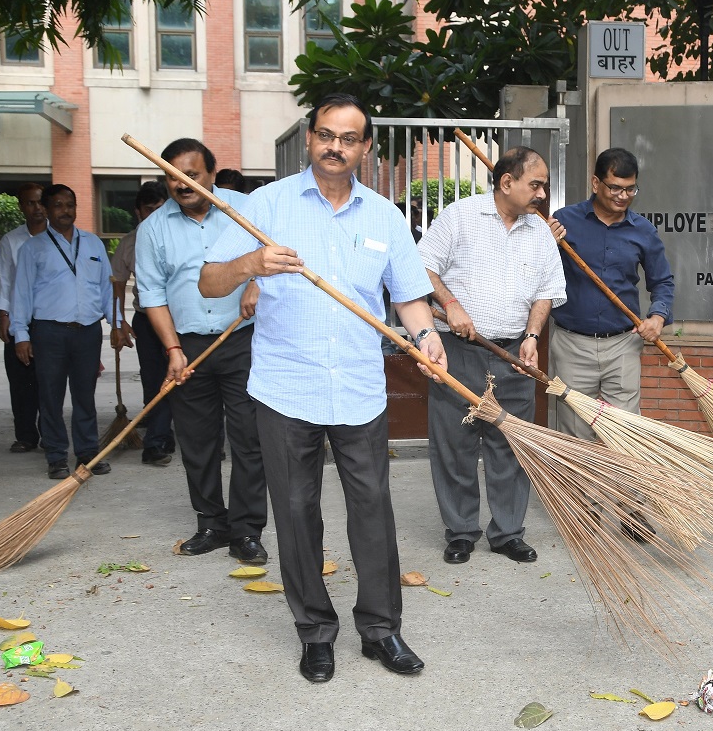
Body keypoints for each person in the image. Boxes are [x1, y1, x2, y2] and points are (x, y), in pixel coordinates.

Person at [200, 92, 445, 683]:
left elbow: (409, 297)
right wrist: (251, 264)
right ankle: (314, 631)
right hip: (286, 387)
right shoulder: (267, 205)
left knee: (373, 509)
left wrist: (427, 337)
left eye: (348, 138)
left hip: (359, 388)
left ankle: (381, 629)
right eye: (326, 135)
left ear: (365, 148)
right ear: (310, 139)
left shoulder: (384, 216)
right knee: (294, 511)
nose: (336, 147)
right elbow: (209, 282)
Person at [419, 146, 565, 566]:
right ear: (506, 182)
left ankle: (507, 533)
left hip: (513, 354)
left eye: (543, 186)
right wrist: (450, 305)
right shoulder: (460, 217)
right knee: (455, 444)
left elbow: (546, 290)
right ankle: (461, 531)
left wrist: (532, 336)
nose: (541, 194)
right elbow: (421, 265)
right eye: (535, 185)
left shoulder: (540, 232)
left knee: (511, 445)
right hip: (457, 352)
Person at [136, 139, 268, 564]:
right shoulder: (154, 228)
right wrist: (172, 349)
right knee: (196, 440)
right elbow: (152, 295)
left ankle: (247, 531)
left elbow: (277, 253)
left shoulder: (244, 209)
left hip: (243, 339)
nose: (181, 184)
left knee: (249, 438)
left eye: (191, 175)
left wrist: (256, 282)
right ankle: (212, 523)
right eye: (173, 176)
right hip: (188, 346)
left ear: (212, 173)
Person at [550, 147, 673, 539]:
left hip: (623, 344)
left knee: (625, 430)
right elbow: (534, 272)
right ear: (596, 182)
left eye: (630, 189)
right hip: (571, 342)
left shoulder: (643, 230)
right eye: (615, 188)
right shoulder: (563, 222)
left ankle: (631, 509)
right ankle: (585, 508)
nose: (623, 196)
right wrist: (544, 244)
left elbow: (662, 282)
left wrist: (658, 316)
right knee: (577, 431)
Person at [10, 184, 122, 480]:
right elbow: (21, 294)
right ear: (46, 210)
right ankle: (57, 456)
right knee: (51, 397)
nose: (65, 211)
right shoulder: (32, 248)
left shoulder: (93, 243)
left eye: (70, 204)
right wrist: (21, 335)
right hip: (49, 333)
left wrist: (117, 323)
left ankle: (87, 454)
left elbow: (105, 288)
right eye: (58, 205)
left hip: (87, 331)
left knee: (85, 396)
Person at [110, 181, 173, 466]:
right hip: (146, 319)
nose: (155, 215)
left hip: (178, 319)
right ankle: (159, 438)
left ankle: (160, 438)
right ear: (138, 212)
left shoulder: (177, 237)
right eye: (149, 210)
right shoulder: (129, 244)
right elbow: (118, 285)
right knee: (153, 378)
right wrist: (118, 322)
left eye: (161, 209)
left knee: (178, 378)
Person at [0, 182, 49, 454]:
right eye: (30, 203)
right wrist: (3, 316)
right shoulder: (11, 241)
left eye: (40, 202)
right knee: (20, 380)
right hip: (19, 319)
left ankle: (50, 433)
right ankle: (25, 435)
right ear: (21, 206)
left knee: (48, 381)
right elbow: (3, 280)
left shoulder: (59, 238)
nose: (36, 208)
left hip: (49, 320)